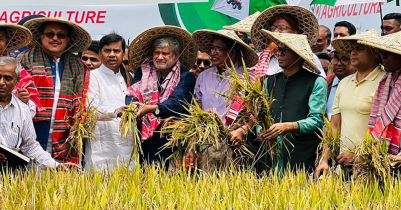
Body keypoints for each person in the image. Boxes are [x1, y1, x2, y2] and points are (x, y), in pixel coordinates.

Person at [19, 17, 91, 164]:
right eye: (50, 34)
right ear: (41, 36)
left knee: (61, 181)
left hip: (66, 135)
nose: (55, 38)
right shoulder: (25, 60)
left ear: (68, 39)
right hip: (32, 132)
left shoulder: (78, 66)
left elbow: (81, 102)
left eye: (61, 35)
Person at [315, 30, 385, 177]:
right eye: (352, 49)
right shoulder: (344, 83)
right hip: (343, 165)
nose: (353, 53)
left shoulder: (385, 82)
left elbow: (385, 131)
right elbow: (334, 126)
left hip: (372, 167)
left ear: (374, 52)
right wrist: (324, 159)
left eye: (359, 49)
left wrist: (359, 156)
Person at [125, 26, 197, 167]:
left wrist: (151, 108)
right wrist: (132, 105)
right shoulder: (143, 72)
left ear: (176, 56)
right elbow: (132, 92)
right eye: (156, 53)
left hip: (172, 139)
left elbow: (177, 103)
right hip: (146, 137)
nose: (159, 57)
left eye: (165, 53)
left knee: (171, 178)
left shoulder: (186, 77)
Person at [257, 31, 327, 174]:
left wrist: (290, 126)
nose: (279, 54)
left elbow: (317, 120)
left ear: (298, 54)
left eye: (285, 50)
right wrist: (261, 130)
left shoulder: (316, 82)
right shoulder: (269, 81)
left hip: (300, 153)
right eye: (278, 50)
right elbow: (261, 115)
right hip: (270, 155)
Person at [191, 29, 259, 171]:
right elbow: (195, 109)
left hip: (236, 145)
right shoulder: (203, 77)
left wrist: (242, 130)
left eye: (218, 49)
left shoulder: (248, 79)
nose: (212, 52)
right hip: (206, 143)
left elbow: (257, 113)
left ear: (232, 53)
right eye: (212, 48)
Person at [0, 57, 73, 170]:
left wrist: (56, 166)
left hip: (10, 171)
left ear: (17, 81)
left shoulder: (22, 109)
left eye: (8, 78)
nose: (1, 83)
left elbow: (30, 146)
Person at [85, 33, 134, 171]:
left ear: (124, 53)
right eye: (107, 50)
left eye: (116, 51)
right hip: (101, 147)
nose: (112, 54)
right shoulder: (92, 77)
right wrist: (115, 112)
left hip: (128, 144)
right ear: (100, 53)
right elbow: (89, 110)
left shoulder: (129, 78)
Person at [357, 31, 401, 170]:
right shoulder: (387, 81)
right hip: (387, 160)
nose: (384, 57)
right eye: (382, 53)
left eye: (389, 53)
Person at [251, 5, 326, 77]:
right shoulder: (259, 57)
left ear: (294, 32)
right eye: (273, 28)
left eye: (282, 28)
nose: (276, 31)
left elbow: (318, 83)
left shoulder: (307, 58)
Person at [325, 51, 355, 119]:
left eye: (345, 60)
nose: (338, 63)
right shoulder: (328, 81)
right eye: (335, 59)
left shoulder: (360, 83)